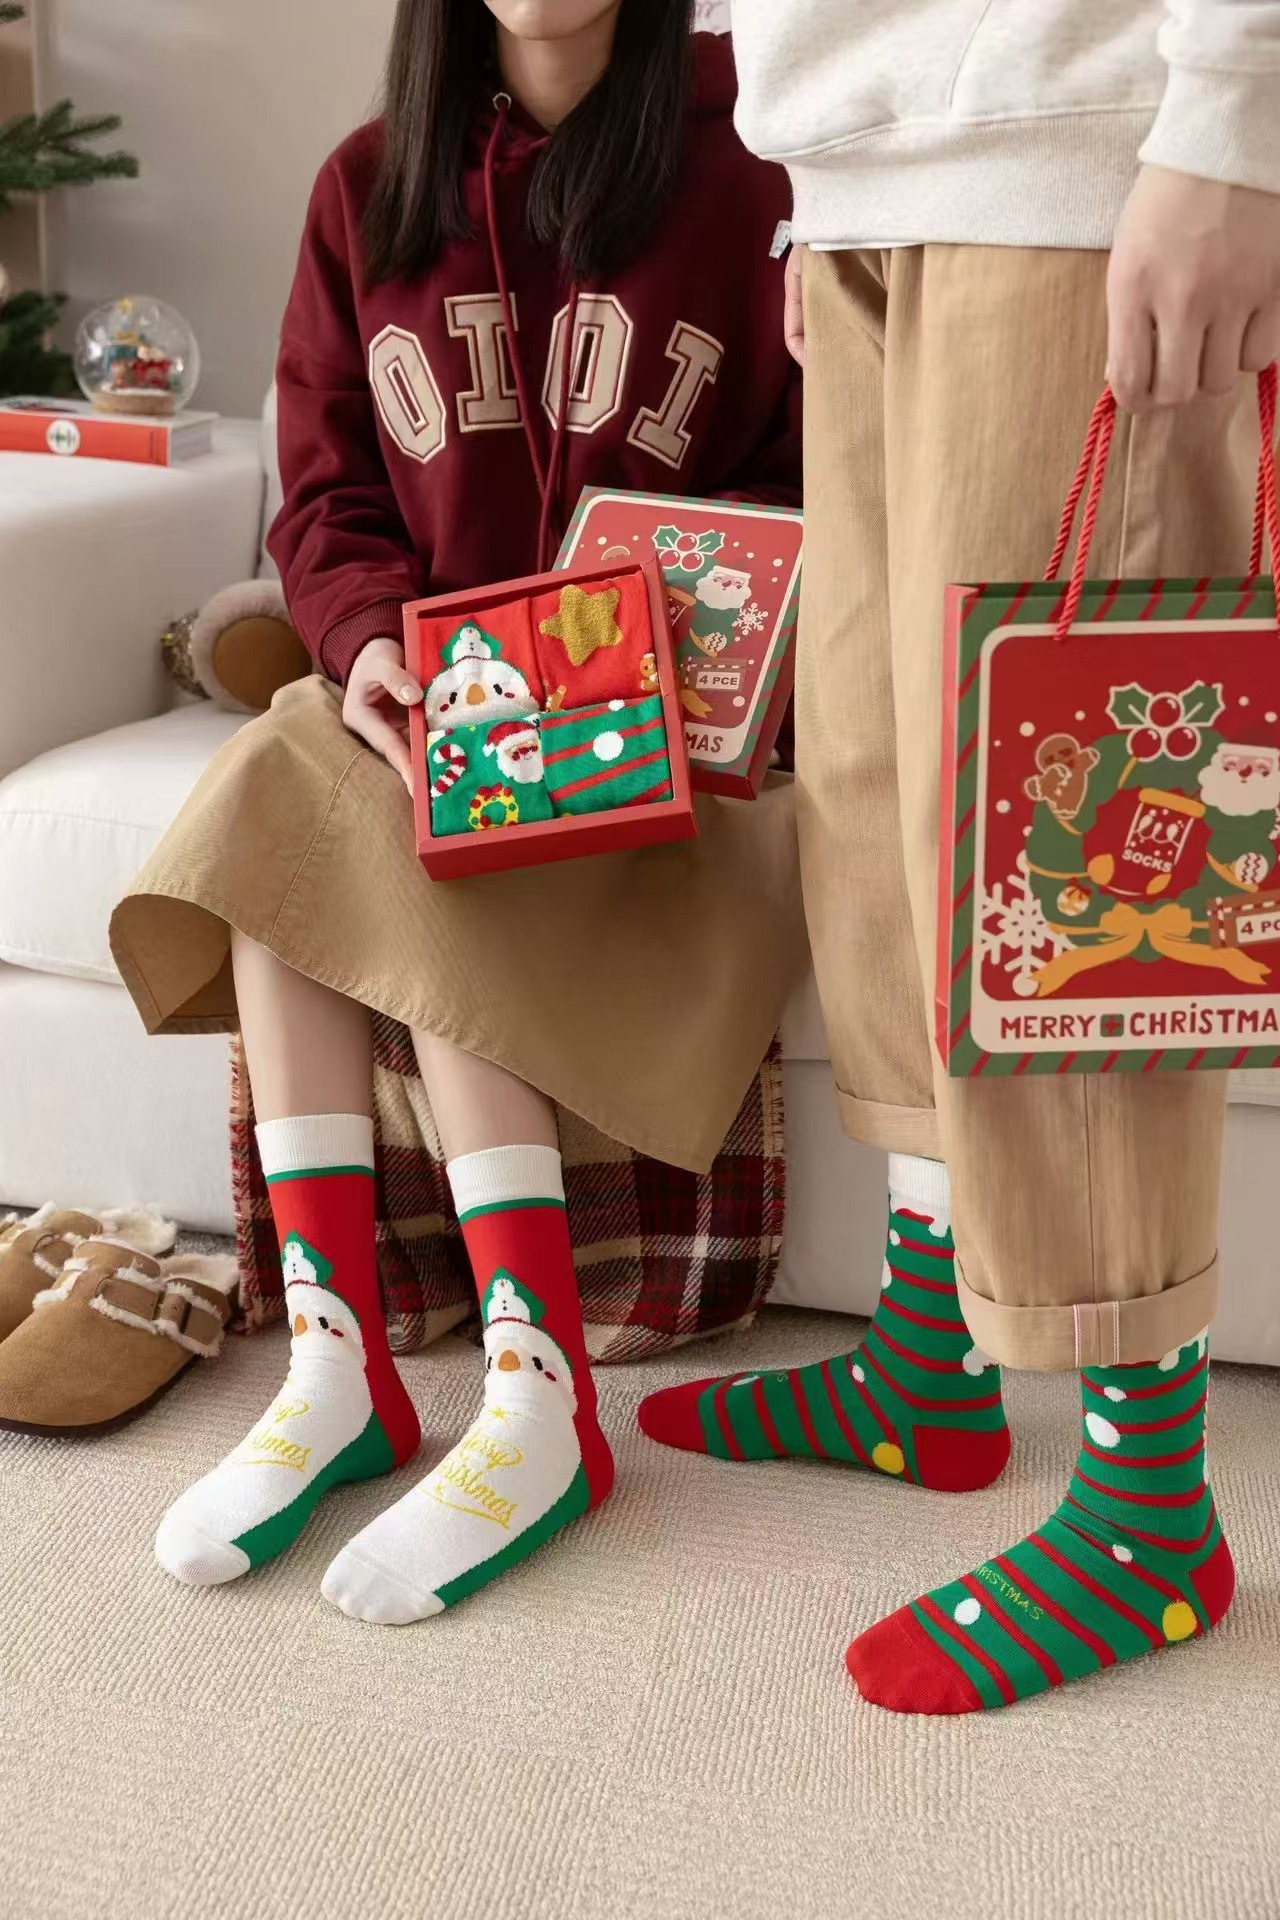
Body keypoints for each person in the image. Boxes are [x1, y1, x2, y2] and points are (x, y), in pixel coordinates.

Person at [109, 0, 805, 1622]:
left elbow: (815, 480)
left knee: (440, 808)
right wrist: (368, 649)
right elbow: (326, 492)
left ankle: (537, 1396)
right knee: (300, 760)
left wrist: (649, 656)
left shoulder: (760, 175)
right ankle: (334, 1364)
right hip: (448, 710)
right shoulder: (369, 188)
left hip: (670, 742)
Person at [638, 0, 1280, 1711]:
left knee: (1073, 861)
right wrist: (813, 170)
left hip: (1087, 152)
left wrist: (1237, 117)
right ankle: (929, 1361)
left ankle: (1148, 1510)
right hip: (864, 167)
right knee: (878, 792)